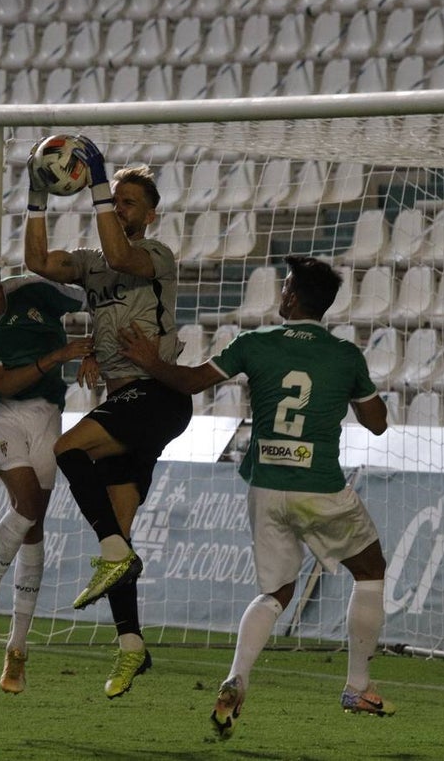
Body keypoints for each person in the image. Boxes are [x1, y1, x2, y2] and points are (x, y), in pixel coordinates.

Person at [118, 255, 395, 738]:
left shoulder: (254, 343)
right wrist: (351, 391)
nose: (281, 293)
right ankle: (357, 686)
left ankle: (237, 679)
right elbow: (377, 424)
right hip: (319, 487)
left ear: (293, 298)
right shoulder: (346, 355)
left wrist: (150, 362)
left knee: (275, 593)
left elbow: (191, 381)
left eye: (285, 287)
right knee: (370, 570)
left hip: (265, 487)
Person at [24, 136, 193, 699]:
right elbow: (36, 262)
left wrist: (97, 184)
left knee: (67, 449)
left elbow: (122, 257)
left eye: (128, 202)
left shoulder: (156, 257)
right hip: (126, 402)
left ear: (150, 215)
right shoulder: (91, 265)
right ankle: (131, 646)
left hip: (157, 394)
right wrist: (36, 196)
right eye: (115, 200)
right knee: (117, 540)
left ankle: (116, 555)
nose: (120, 208)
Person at [0, 246, 92, 694]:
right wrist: (59, 355)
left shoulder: (35, 291)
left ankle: (18, 648)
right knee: (27, 502)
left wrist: (94, 350)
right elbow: (4, 383)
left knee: (34, 522)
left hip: (45, 408)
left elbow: (99, 299)